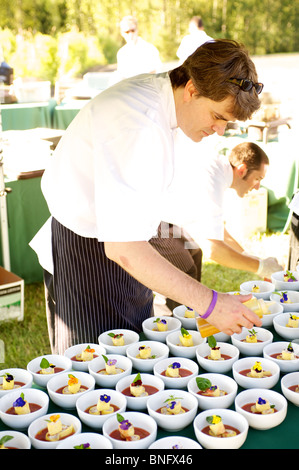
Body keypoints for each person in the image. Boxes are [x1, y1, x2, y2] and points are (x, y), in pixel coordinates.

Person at [31, 39, 264, 355]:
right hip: (87, 247)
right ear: (192, 89)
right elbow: (124, 248)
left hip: (124, 240)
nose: (220, 130)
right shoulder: (139, 123)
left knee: (134, 347)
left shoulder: (164, 96)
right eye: (217, 116)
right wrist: (211, 304)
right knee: (97, 362)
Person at [149, 140, 283, 310]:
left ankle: (187, 316)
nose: (257, 187)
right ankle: (171, 326)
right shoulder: (213, 178)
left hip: (169, 222)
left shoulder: (220, 171)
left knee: (195, 253)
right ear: (242, 170)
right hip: (151, 221)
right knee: (183, 270)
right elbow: (214, 249)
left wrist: (251, 257)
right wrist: (261, 267)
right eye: (257, 179)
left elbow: (218, 232)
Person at [115, 15, 162, 80]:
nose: (130, 34)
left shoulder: (150, 49)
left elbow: (156, 72)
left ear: (137, 30)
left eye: (132, 30)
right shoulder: (121, 53)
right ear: (122, 33)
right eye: (127, 32)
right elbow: (122, 76)